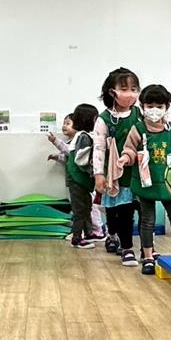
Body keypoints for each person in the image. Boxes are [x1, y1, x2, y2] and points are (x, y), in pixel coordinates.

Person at [119, 84, 171, 275]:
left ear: (167, 107)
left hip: (169, 183)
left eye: (159, 106)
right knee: (147, 220)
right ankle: (148, 256)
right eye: (150, 106)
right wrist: (125, 158)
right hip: (146, 183)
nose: (154, 110)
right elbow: (129, 149)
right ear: (142, 106)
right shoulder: (138, 129)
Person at [93, 67, 142, 266]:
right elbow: (98, 148)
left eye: (134, 89)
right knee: (115, 210)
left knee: (132, 210)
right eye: (124, 89)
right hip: (114, 173)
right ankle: (114, 236)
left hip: (137, 171)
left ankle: (132, 248)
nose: (130, 93)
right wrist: (99, 174)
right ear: (112, 92)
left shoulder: (140, 114)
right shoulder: (104, 119)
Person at [48, 112, 105, 240]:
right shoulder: (77, 140)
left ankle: (91, 232)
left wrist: (56, 141)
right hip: (77, 181)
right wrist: (57, 157)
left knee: (87, 208)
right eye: (64, 123)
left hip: (83, 181)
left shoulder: (83, 138)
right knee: (82, 208)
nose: (64, 126)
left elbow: (71, 153)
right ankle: (87, 232)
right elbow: (70, 157)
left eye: (68, 123)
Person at [64, 104, 100, 249]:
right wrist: (93, 171)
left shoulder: (81, 136)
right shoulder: (84, 137)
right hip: (78, 180)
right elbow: (81, 161)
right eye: (96, 118)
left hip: (79, 180)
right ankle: (77, 238)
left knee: (86, 207)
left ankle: (88, 233)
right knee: (80, 210)